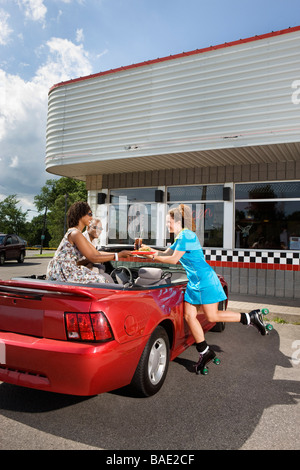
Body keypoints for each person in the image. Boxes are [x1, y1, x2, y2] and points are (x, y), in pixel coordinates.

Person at [142, 204, 266, 373]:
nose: (166, 225)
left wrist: (152, 255)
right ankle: (205, 351)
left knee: (212, 316)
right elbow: (165, 253)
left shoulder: (186, 236)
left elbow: (172, 260)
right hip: (195, 283)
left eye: (168, 221)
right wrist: (146, 250)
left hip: (205, 281)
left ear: (177, 220)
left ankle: (250, 317)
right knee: (189, 316)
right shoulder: (180, 237)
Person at [46, 201, 131, 284]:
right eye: (89, 214)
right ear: (80, 214)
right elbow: (93, 257)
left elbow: (96, 253)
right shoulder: (75, 233)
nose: (91, 217)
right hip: (63, 272)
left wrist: (118, 254)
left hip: (66, 269)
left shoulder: (77, 233)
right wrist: (117, 256)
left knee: (102, 279)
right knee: (102, 280)